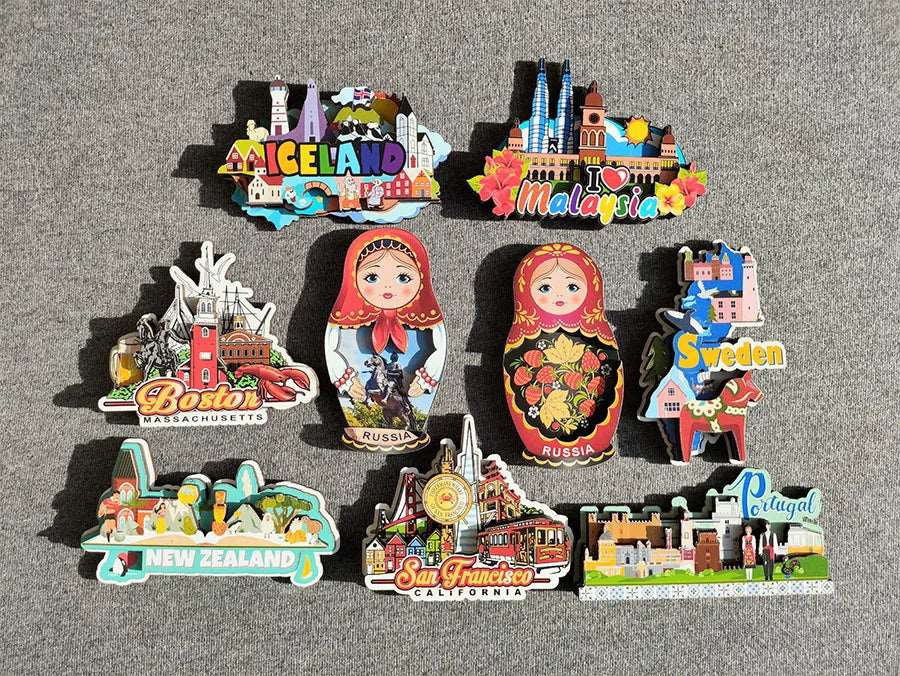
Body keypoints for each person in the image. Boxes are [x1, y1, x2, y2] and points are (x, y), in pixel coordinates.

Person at [325, 230, 446, 452]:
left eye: (403, 278)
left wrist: (426, 378)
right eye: (372, 277)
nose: (388, 287)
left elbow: (433, 349)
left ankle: (406, 413)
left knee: (394, 387)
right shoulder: (344, 320)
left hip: (398, 381)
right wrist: (345, 379)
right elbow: (333, 343)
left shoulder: (424, 324)